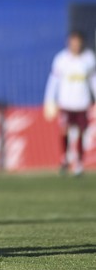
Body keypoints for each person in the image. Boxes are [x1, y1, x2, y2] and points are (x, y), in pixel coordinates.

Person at [43, 30, 96, 176]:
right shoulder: (61, 59)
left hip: (82, 103)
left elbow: (93, 80)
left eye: (77, 42)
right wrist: (49, 100)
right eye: (73, 42)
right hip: (66, 103)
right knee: (64, 130)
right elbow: (53, 81)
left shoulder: (89, 59)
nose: (75, 45)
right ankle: (65, 158)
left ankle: (78, 163)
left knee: (81, 132)